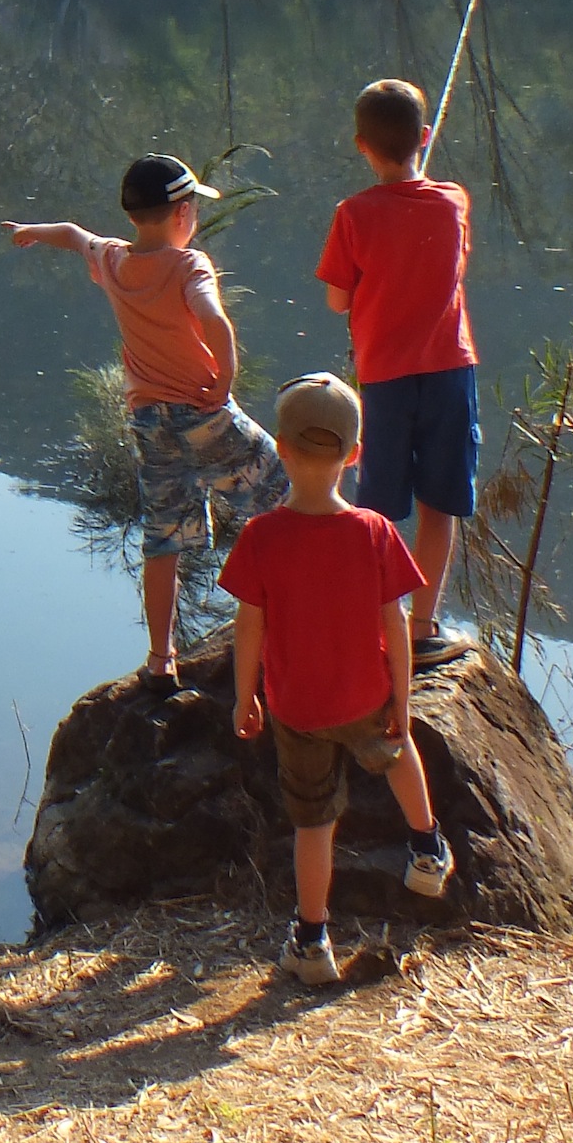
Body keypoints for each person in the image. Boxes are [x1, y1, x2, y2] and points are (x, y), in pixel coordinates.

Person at [7, 154, 289, 683]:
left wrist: (29, 232)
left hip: (150, 425)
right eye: (194, 210)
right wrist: (225, 376)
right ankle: (294, 618)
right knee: (284, 493)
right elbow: (214, 320)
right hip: (205, 417)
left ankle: (161, 659)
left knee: (163, 537)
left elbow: (72, 234)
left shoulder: (114, 261)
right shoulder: (189, 266)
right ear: (182, 214)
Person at [222, 372, 453, 986]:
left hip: (297, 709)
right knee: (396, 751)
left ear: (280, 448)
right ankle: (427, 847)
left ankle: (312, 938)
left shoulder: (261, 536)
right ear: (355, 455)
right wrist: (402, 699)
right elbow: (397, 623)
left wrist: (245, 699)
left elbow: (249, 628)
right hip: (365, 696)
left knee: (313, 825)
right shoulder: (374, 532)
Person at [316, 77, 478, 660]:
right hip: (448, 373)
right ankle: (424, 627)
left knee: (376, 506)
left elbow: (338, 299)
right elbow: (451, 266)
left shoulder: (353, 213)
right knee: (441, 501)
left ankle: (369, 621)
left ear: (362, 145)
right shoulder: (454, 200)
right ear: (426, 137)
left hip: (384, 377)